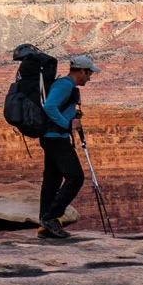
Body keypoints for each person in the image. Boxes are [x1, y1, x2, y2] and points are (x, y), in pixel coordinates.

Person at [36, 54, 97, 240]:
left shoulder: (67, 86)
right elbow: (50, 107)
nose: (90, 77)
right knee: (76, 177)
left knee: (52, 181)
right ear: (81, 71)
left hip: (53, 137)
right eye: (89, 73)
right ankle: (51, 217)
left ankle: (45, 227)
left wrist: (71, 117)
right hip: (55, 138)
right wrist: (67, 124)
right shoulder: (64, 85)